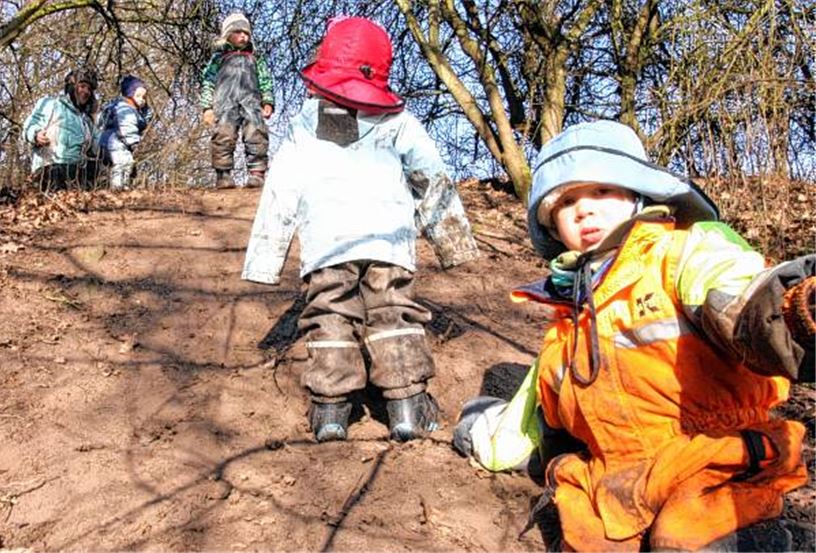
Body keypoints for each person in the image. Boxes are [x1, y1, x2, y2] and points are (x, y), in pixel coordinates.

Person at [453, 120, 813, 551]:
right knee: (584, 537)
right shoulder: (567, 323)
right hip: (615, 479)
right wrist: (479, 429)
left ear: (640, 193)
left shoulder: (684, 252)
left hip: (715, 455)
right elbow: (535, 414)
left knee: (686, 540)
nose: (584, 209)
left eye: (602, 191)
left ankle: (770, 540)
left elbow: (738, 297)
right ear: (552, 228)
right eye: (566, 202)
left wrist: (793, 310)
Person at [241, 17, 479, 443]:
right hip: (388, 236)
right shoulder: (399, 120)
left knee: (330, 312)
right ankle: (407, 407)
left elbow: (282, 185)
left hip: (329, 240)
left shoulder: (307, 121)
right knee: (392, 311)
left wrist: (265, 258)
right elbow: (429, 175)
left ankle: (331, 411)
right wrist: (452, 242)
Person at [199, 12, 274, 189]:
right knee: (223, 134)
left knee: (257, 133)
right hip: (224, 103)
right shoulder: (218, 59)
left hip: (251, 102)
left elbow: (265, 80)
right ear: (227, 35)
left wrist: (267, 100)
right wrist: (207, 107)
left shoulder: (255, 58)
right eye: (238, 32)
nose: (243, 36)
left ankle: (257, 173)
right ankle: (223, 174)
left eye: (246, 33)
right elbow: (208, 81)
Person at [22, 67, 100, 190]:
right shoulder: (51, 104)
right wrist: (36, 135)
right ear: (72, 86)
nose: (86, 91)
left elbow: (98, 146)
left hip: (76, 172)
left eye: (89, 89)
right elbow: (30, 125)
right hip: (50, 168)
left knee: (96, 170)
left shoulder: (87, 120)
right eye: (82, 86)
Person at [98, 75, 152, 190]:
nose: (142, 99)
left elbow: (143, 121)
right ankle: (117, 187)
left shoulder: (121, 107)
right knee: (121, 163)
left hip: (111, 141)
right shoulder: (125, 109)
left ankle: (123, 185)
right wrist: (133, 141)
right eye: (138, 96)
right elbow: (127, 126)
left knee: (127, 162)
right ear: (129, 95)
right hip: (116, 142)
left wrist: (145, 110)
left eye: (144, 97)